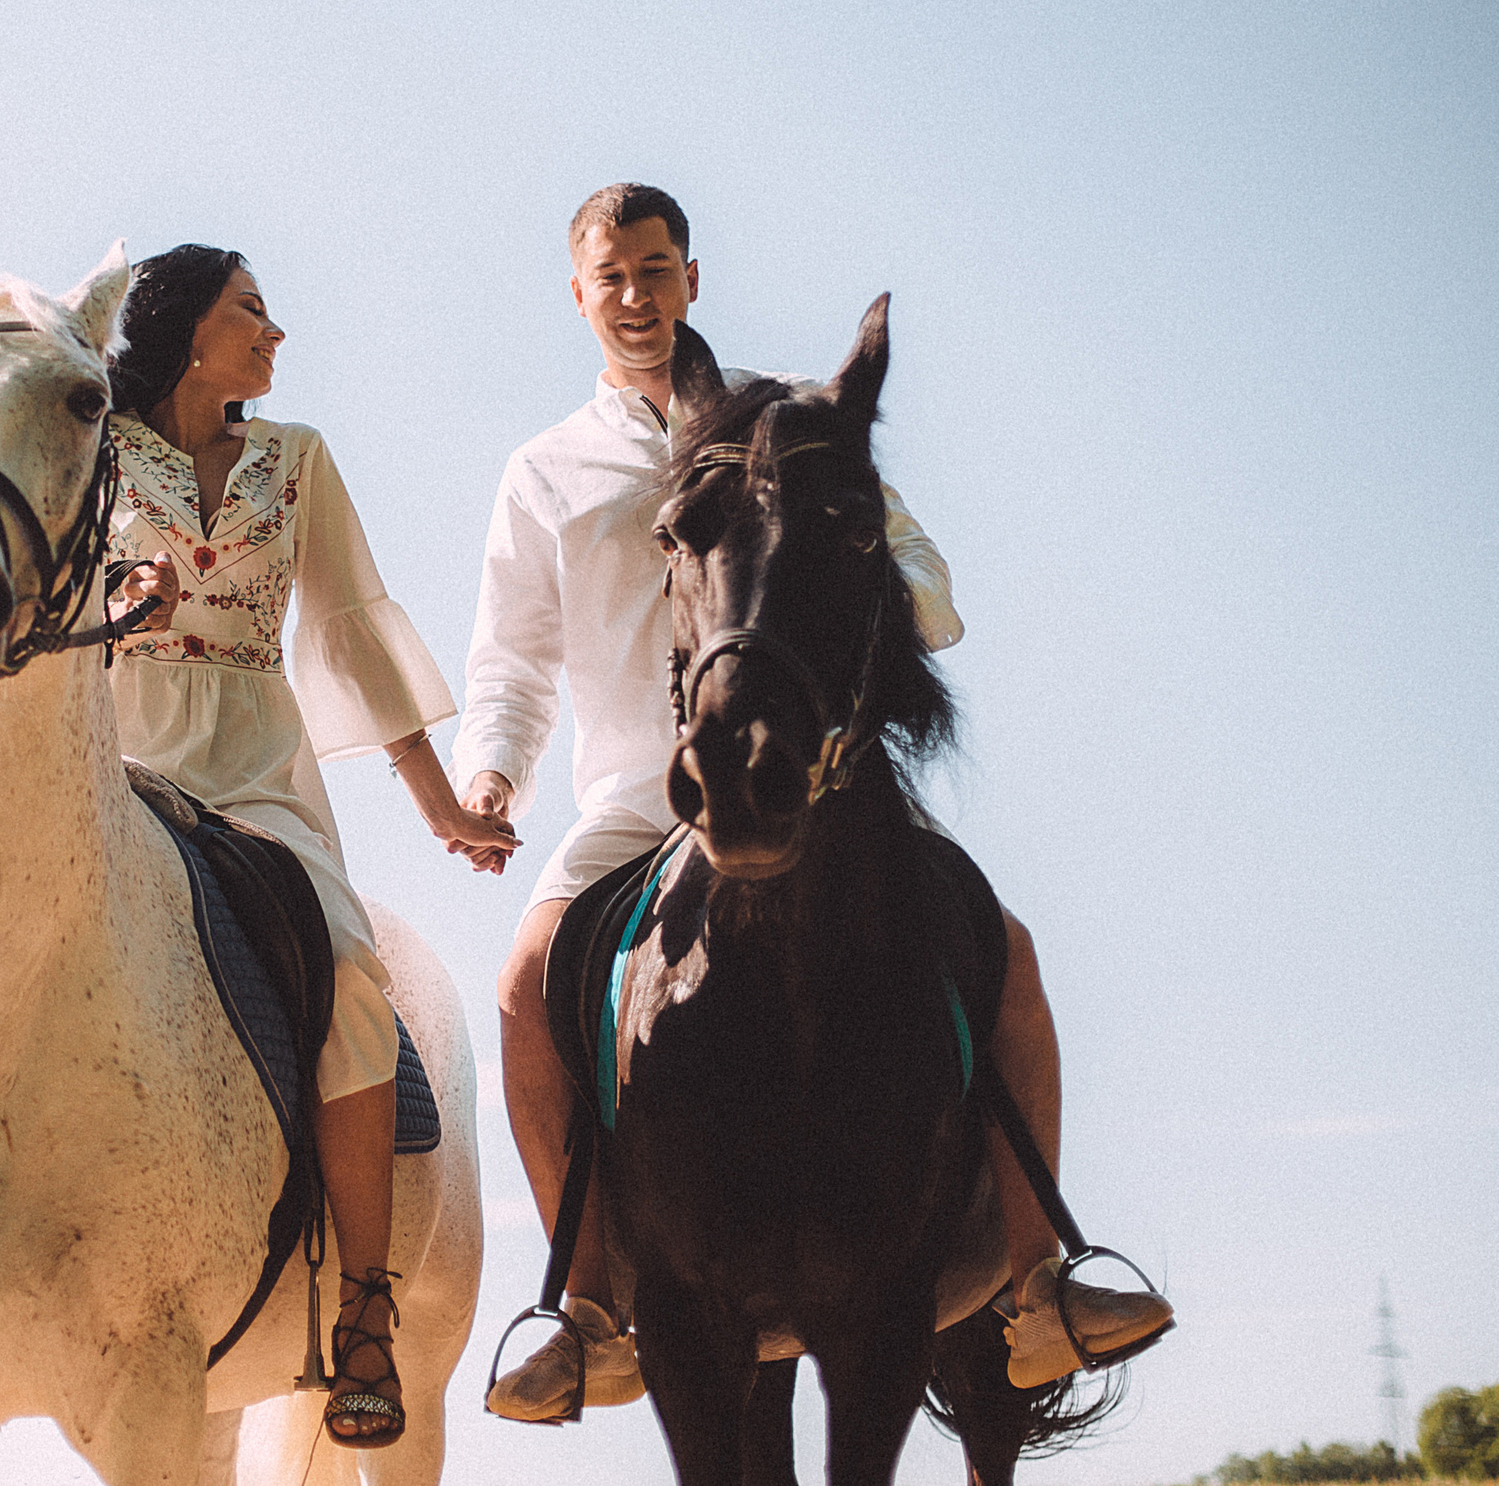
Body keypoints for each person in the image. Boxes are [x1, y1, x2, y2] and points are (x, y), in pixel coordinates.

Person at [0, 245, 519, 1451]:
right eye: (250, 311)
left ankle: (363, 1307)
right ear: (188, 335)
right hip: (108, 759)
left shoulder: (295, 460)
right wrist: (115, 607)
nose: (273, 332)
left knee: (356, 999)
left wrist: (440, 807)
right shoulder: (91, 445)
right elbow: (30, 568)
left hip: (257, 781)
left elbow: (353, 632)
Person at [461, 184, 1174, 1418]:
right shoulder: (543, 469)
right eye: (609, 277)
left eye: (655, 269)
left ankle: (1042, 1272)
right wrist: (491, 772)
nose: (634, 296)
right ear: (577, 296)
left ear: (692, 278)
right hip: (640, 794)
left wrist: (862, 563)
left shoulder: (791, 424)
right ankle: (578, 1306)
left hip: (816, 776)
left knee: (1003, 948)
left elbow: (925, 590)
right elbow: (511, 658)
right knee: (526, 990)